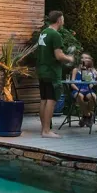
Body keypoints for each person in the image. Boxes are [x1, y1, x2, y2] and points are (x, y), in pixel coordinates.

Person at [36, 10, 74, 138]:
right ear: (59, 20)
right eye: (63, 19)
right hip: (52, 72)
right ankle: (47, 131)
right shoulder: (55, 35)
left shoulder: (44, 33)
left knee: (43, 100)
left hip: (42, 71)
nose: (63, 21)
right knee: (51, 100)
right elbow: (58, 56)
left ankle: (44, 129)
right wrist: (69, 59)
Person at [70, 53, 97, 126]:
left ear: (90, 60)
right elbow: (72, 83)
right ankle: (89, 115)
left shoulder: (92, 70)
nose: (84, 59)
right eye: (82, 57)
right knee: (79, 96)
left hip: (88, 89)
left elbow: (93, 82)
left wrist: (96, 76)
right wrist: (78, 89)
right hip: (77, 89)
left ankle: (85, 116)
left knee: (93, 96)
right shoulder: (75, 70)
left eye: (86, 58)